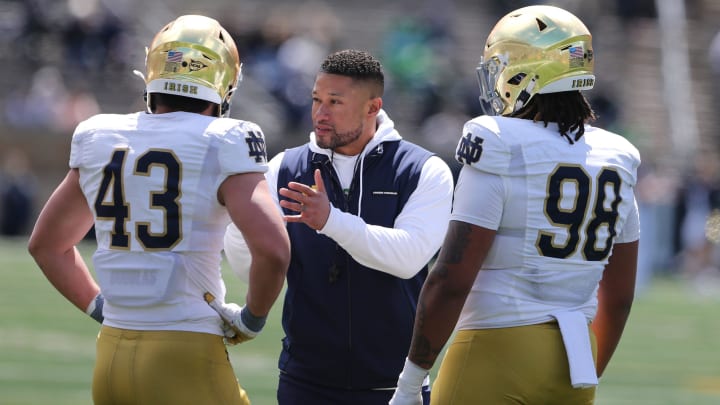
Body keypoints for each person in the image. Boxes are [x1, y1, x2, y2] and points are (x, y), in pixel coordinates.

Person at [27, 14, 290, 405]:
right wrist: (251, 319)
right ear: (225, 82)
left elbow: (47, 245)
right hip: (186, 355)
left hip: (111, 356)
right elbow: (273, 250)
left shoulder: (101, 135)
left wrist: (100, 306)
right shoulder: (226, 139)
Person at [390, 5, 641, 405]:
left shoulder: (499, 140)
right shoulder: (617, 155)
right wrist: (589, 370)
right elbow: (620, 295)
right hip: (574, 364)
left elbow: (451, 280)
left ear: (527, 71)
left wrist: (408, 385)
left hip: (495, 351)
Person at [223, 49, 454, 404]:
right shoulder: (285, 167)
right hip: (304, 381)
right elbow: (247, 258)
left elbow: (409, 256)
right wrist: (250, 236)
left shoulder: (423, 170)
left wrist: (331, 221)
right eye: (316, 99)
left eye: (334, 102)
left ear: (372, 108)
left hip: (394, 387)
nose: (320, 113)